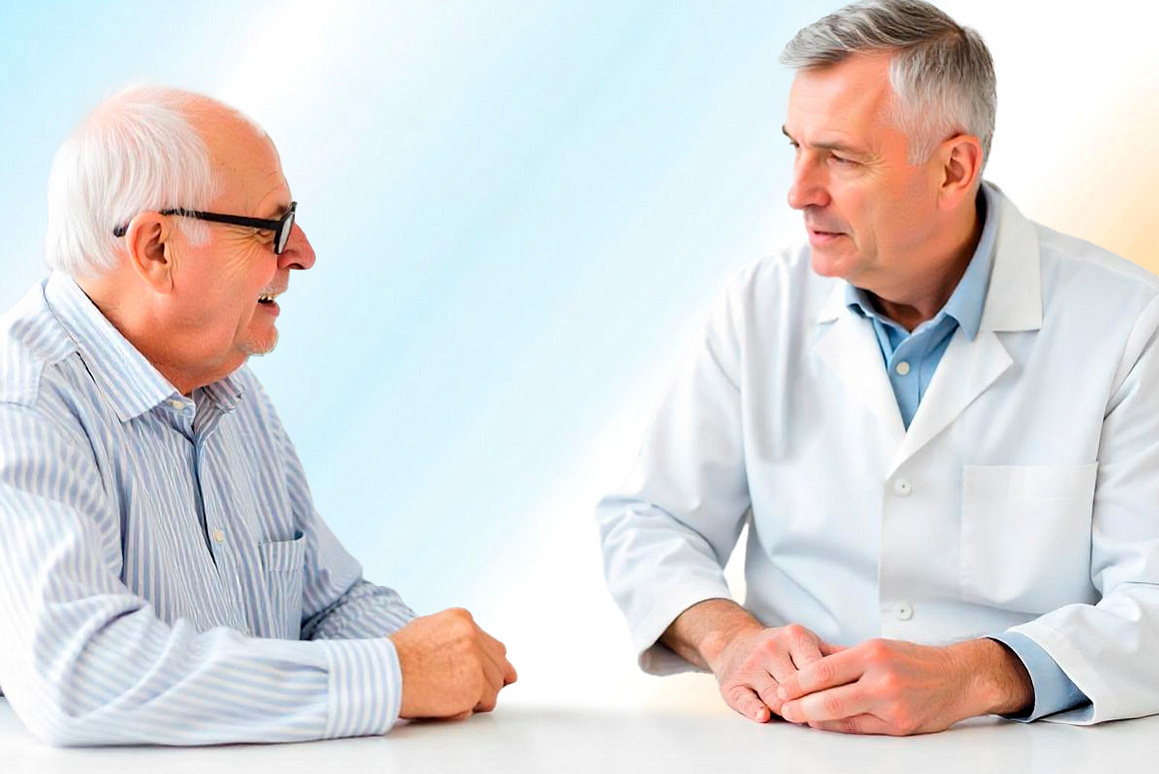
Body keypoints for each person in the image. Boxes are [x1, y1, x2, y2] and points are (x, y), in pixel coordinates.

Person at [596, 0, 1159, 735]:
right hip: (795, 742)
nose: (798, 191)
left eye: (840, 157)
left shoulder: (1127, 324)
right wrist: (729, 641)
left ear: (953, 168)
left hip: (1025, 749)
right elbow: (651, 521)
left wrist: (979, 674)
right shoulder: (760, 306)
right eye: (795, 147)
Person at [0, 86, 516, 746]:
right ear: (158, 248)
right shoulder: (23, 406)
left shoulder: (225, 387)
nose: (302, 252)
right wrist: (393, 674)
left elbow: (326, 606)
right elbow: (79, 675)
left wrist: (444, 661)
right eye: (272, 228)